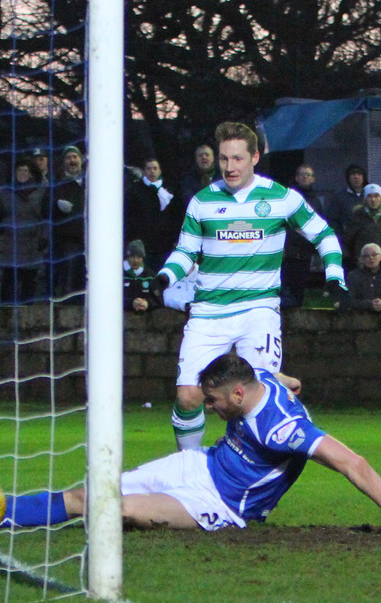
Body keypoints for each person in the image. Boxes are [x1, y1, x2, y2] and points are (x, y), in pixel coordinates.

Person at [0, 352, 381, 531]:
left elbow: (354, 463)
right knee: (90, 492)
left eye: (213, 401)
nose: (208, 407)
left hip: (223, 507)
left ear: (238, 393)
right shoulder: (257, 375)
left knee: (118, 509)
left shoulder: (281, 429)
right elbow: (286, 381)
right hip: (200, 466)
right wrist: (292, 384)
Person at [152, 122, 346, 451]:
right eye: (224, 159)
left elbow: (324, 235)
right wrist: (165, 278)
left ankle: (257, 464)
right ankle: (190, 467)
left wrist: (335, 276)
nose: (230, 167)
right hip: (209, 311)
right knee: (188, 396)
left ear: (254, 157)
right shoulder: (202, 201)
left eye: (238, 159)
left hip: (259, 309)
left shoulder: (282, 198)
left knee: (254, 397)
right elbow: (186, 252)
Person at [0, 161, 47, 304]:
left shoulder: (41, 192)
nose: (22, 174)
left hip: (32, 244)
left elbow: (48, 216)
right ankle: (6, 313)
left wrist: (44, 238)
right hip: (10, 243)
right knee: (9, 281)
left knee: (29, 281)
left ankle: (28, 316)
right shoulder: (4, 193)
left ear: (31, 173)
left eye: (25, 170)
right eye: (19, 170)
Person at [282, 164, 330, 309]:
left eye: (308, 175)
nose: (305, 177)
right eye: (302, 174)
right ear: (296, 177)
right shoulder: (288, 197)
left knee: (299, 290)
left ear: (313, 179)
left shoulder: (315, 200)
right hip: (287, 251)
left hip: (305, 251)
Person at [124, 157, 181, 272]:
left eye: (155, 168)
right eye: (148, 168)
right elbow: (130, 218)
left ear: (160, 171)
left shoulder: (169, 189)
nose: (152, 171)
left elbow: (176, 217)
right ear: (144, 171)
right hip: (144, 247)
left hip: (166, 246)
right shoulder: (134, 191)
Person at [50, 145, 87, 298]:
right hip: (67, 241)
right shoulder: (57, 184)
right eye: (68, 157)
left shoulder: (90, 183)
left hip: (88, 241)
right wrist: (56, 205)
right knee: (68, 281)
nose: (72, 160)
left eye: (75, 157)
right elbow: (45, 209)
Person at [344, 243, 381, 313]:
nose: (371, 258)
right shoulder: (353, 276)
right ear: (361, 259)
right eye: (366, 256)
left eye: (374, 255)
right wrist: (370, 304)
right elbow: (348, 300)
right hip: (361, 318)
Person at [123, 239, 158, 313]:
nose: (135, 260)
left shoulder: (150, 275)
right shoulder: (118, 274)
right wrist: (131, 303)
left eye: (139, 257)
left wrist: (147, 304)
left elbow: (159, 298)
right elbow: (111, 299)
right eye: (132, 257)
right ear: (127, 257)